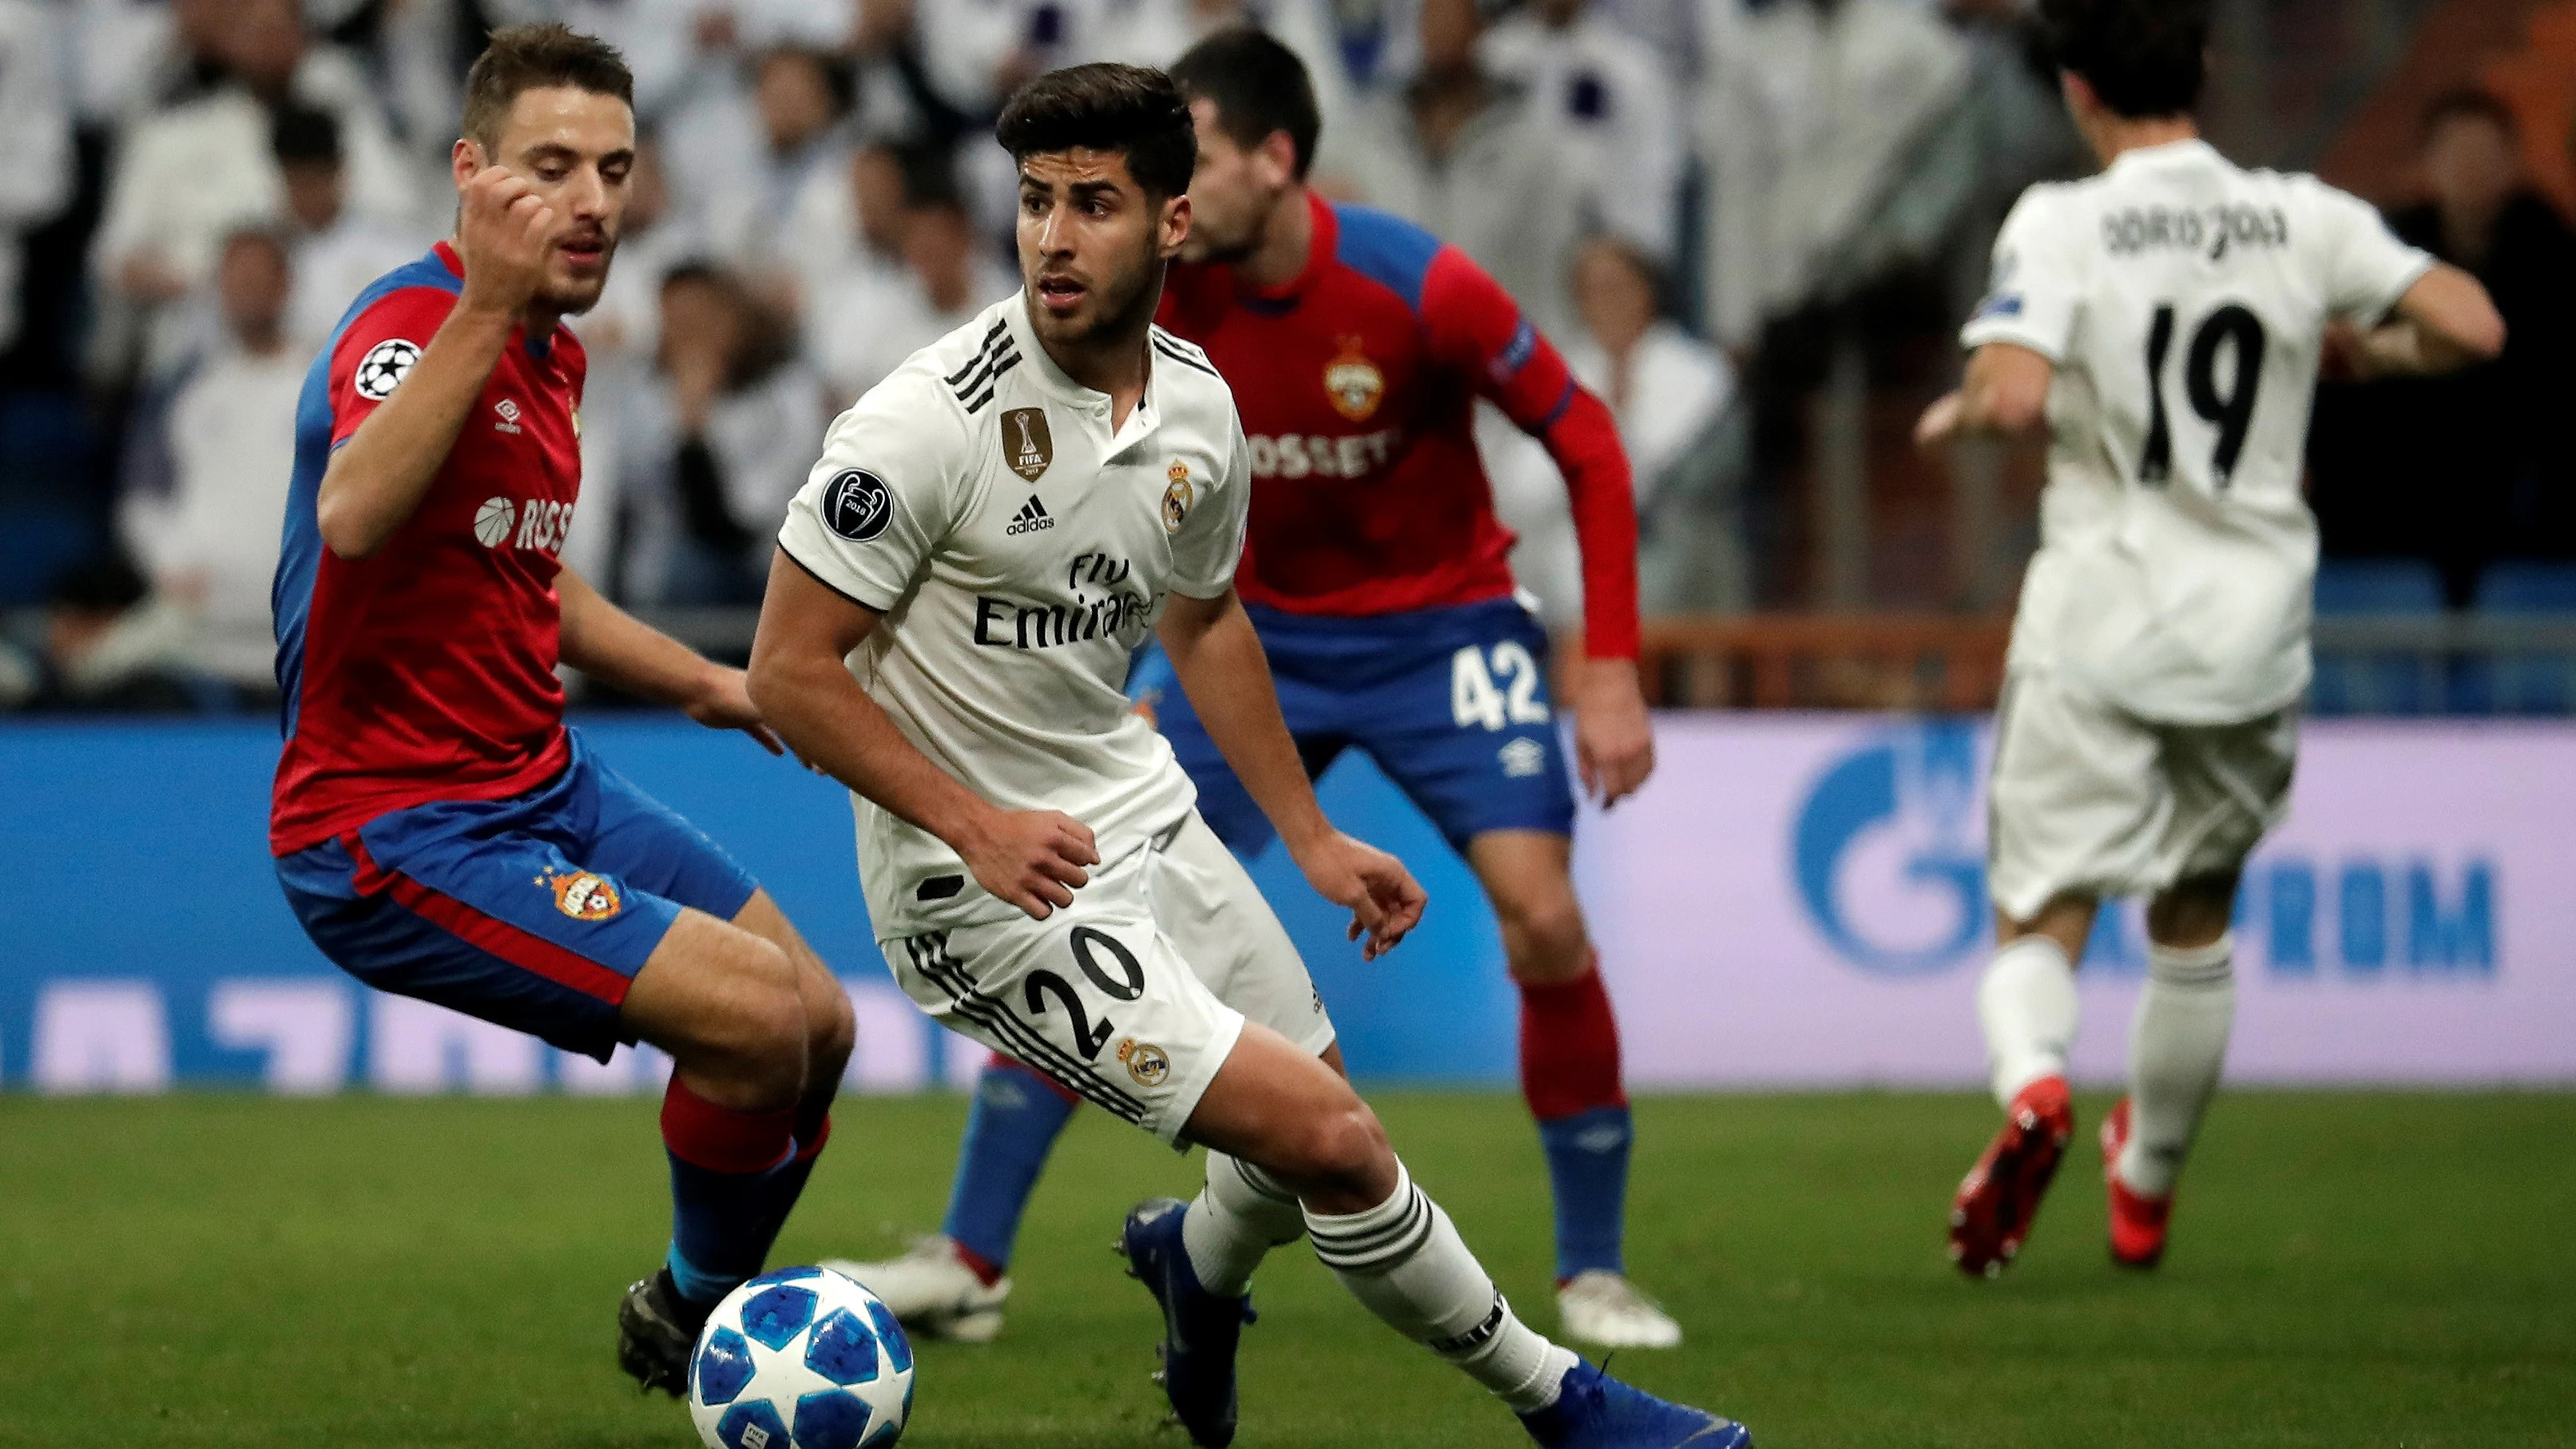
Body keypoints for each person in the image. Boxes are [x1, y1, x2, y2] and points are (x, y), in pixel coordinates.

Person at [748, 61, 1742, 1449]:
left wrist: (1314, 835)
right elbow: (786, 670)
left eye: (1093, 203)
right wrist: (973, 823)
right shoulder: (923, 424)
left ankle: (1192, 1272)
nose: (1052, 236)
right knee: (1338, 1142)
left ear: (1173, 219)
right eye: (1035, 202)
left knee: (1294, 1137)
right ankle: (1568, 1408)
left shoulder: (1198, 405)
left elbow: (1208, 621)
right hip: (980, 891)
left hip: (1135, 809)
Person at [262, 25, 855, 1396]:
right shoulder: (411, 331)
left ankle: (692, 1303)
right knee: (756, 1021)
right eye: (548, 168)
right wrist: (483, 302)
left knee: (820, 1026)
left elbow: (530, 571)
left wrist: (702, 676)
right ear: (470, 176)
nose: (591, 201)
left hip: (541, 780)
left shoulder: (553, 351)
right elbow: (354, 513)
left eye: (614, 169)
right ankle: (705, 1320)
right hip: (392, 830)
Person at [1913, 0, 2503, 1276]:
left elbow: (2013, 390)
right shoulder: (2300, 212)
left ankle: (2035, 1088)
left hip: (2103, 620)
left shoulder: (2065, 221)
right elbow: (2474, 326)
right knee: (2196, 915)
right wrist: (2367, 359)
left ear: (2078, 93)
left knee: (2043, 906)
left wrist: (1963, 412)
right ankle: (2148, 1179)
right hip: (2251, 630)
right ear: (2209, 74)